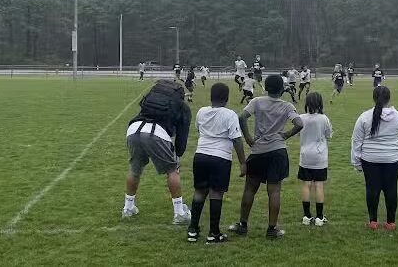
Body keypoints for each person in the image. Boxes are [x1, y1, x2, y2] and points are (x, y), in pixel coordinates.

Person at [229, 74, 304, 239]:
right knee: (274, 191)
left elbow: (242, 117)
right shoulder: (287, 106)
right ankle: (272, 229)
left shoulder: (257, 101)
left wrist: (248, 138)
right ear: (282, 89)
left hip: (258, 151)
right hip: (278, 152)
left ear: (265, 87)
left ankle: (242, 225)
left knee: (250, 188)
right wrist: (285, 135)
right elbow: (299, 124)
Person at [123, 80, 192, 224]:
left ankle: (128, 208)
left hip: (133, 129)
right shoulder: (182, 107)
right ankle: (179, 213)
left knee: (135, 169)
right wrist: (177, 155)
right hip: (156, 133)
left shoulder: (150, 100)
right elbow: (182, 137)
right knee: (172, 171)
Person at [186, 83, 248, 244]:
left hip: (200, 155)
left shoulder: (201, 111)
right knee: (216, 193)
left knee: (199, 191)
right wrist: (243, 162)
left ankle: (193, 230)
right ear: (226, 98)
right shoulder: (230, 114)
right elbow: (236, 140)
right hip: (220, 158)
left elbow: (199, 130)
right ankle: (213, 233)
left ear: (211, 96)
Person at [351, 85, 398, 230]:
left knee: (372, 189)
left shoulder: (364, 116)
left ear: (374, 98)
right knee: (391, 189)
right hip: (392, 159)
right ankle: (390, 222)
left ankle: (373, 222)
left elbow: (357, 141)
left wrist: (356, 162)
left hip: (370, 160)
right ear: (389, 98)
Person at [298, 92, 332, 226]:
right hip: (320, 156)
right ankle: (319, 217)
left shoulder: (301, 118)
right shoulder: (324, 119)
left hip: (305, 155)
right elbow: (329, 135)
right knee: (319, 185)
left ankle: (306, 216)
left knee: (306, 184)